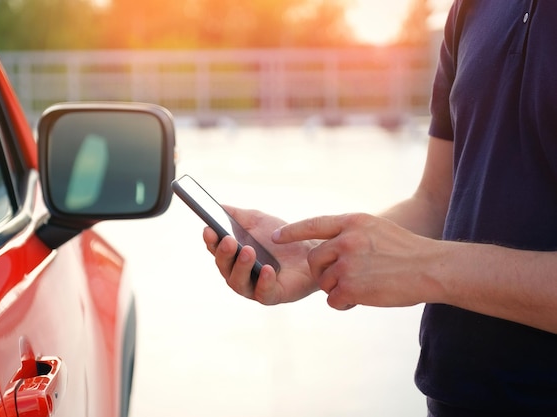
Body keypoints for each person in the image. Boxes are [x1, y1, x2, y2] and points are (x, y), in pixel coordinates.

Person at [202, 1, 557, 415]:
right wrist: (317, 253)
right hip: (457, 395)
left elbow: (431, 255)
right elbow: (437, 200)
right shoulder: (472, 7)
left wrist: (429, 266)